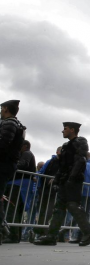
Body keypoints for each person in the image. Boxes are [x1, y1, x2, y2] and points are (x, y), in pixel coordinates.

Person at [34, 122, 90, 247]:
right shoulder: (66, 145)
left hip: (73, 181)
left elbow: (80, 161)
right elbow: (63, 165)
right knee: (59, 208)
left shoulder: (80, 142)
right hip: (65, 180)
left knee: (73, 206)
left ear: (72, 130)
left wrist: (72, 178)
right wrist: (57, 179)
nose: (62, 131)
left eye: (65, 129)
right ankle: (51, 236)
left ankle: (88, 233)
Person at [0, 100, 26, 245]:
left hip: (3, 164)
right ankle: (3, 229)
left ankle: (2, 229)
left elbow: (3, 144)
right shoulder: (16, 124)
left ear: (5, 109)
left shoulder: (9, 123)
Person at [4, 139, 36, 243]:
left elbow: (23, 164)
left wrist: (9, 167)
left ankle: (13, 235)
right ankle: (15, 235)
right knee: (16, 210)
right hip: (20, 184)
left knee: (11, 208)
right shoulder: (27, 154)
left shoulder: (26, 153)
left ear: (25, 146)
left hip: (19, 184)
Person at [70, 152, 90, 244]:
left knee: (79, 214)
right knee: (86, 215)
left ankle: (82, 235)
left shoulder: (82, 165)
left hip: (81, 192)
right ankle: (84, 235)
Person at [33, 147, 61, 239]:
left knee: (49, 210)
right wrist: (37, 178)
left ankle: (44, 230)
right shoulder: (50, 161)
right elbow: (42, 171)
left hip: (54, 191)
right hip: (44, 189)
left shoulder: (64, 163)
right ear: (57, 152)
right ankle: (40, 230)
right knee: (42, 209)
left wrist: (55, 178)